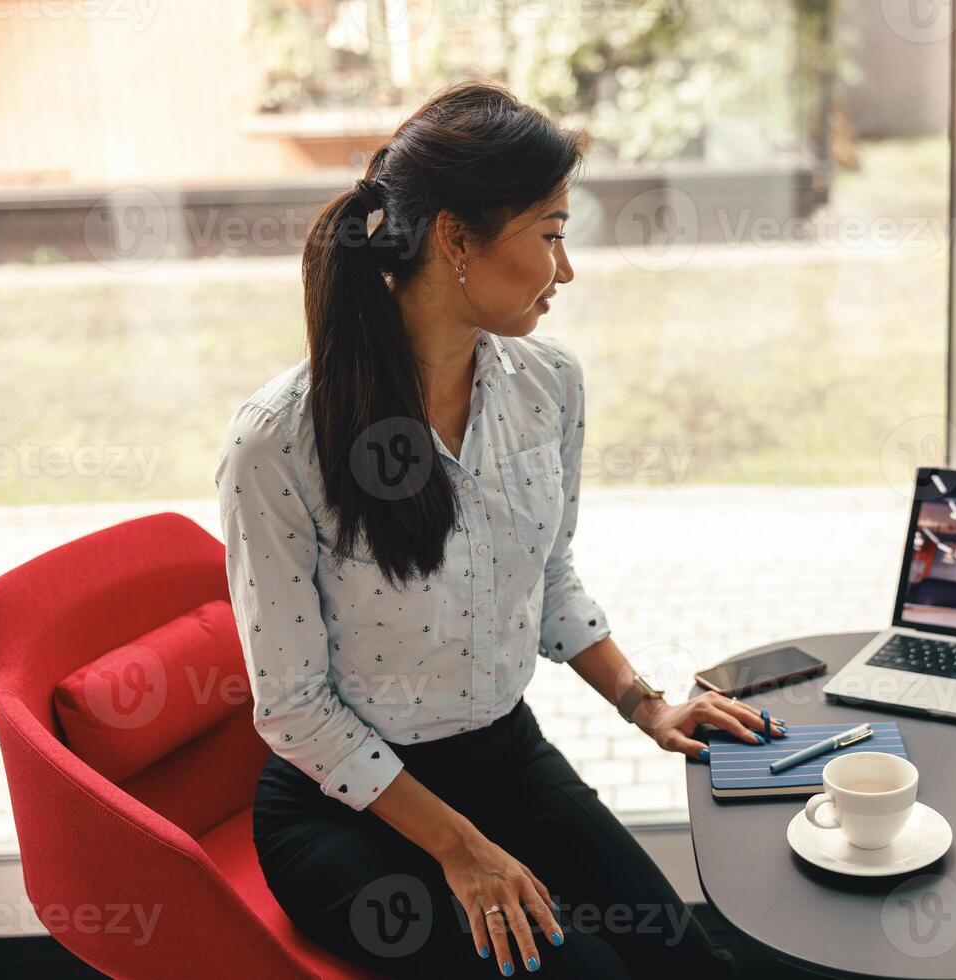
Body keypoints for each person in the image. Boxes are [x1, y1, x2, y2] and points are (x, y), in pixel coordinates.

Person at [216, 81, 782, 979]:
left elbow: (548, 575)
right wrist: (460, 850)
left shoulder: (547, 386)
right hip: (347, 812)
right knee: (582, 971)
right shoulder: (278, 441)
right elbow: (293, 708)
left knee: (686, 962)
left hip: (504, 756)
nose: (567, 270)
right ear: (454, 239)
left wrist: (645, 705)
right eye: (552, 234)